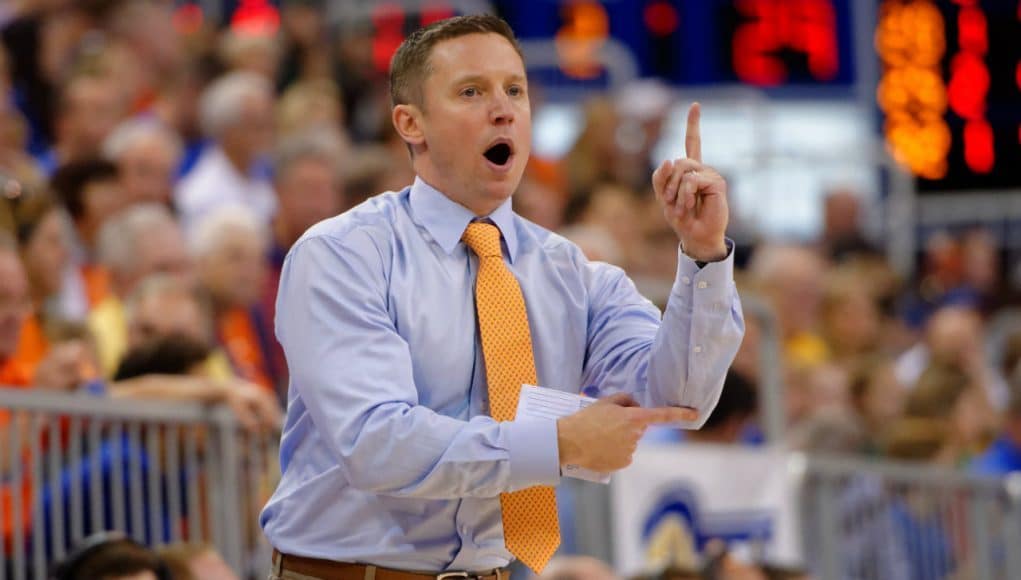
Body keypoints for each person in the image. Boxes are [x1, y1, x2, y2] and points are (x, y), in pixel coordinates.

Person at [261, 14, 743, 579]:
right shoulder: (344, 255)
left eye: (515, 90)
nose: (503, 108)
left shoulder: (573, 274)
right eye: (471, 92)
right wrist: (557, 443)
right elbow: (376, 442)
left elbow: (681, 397)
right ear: (410, 123)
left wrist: (704, 253)